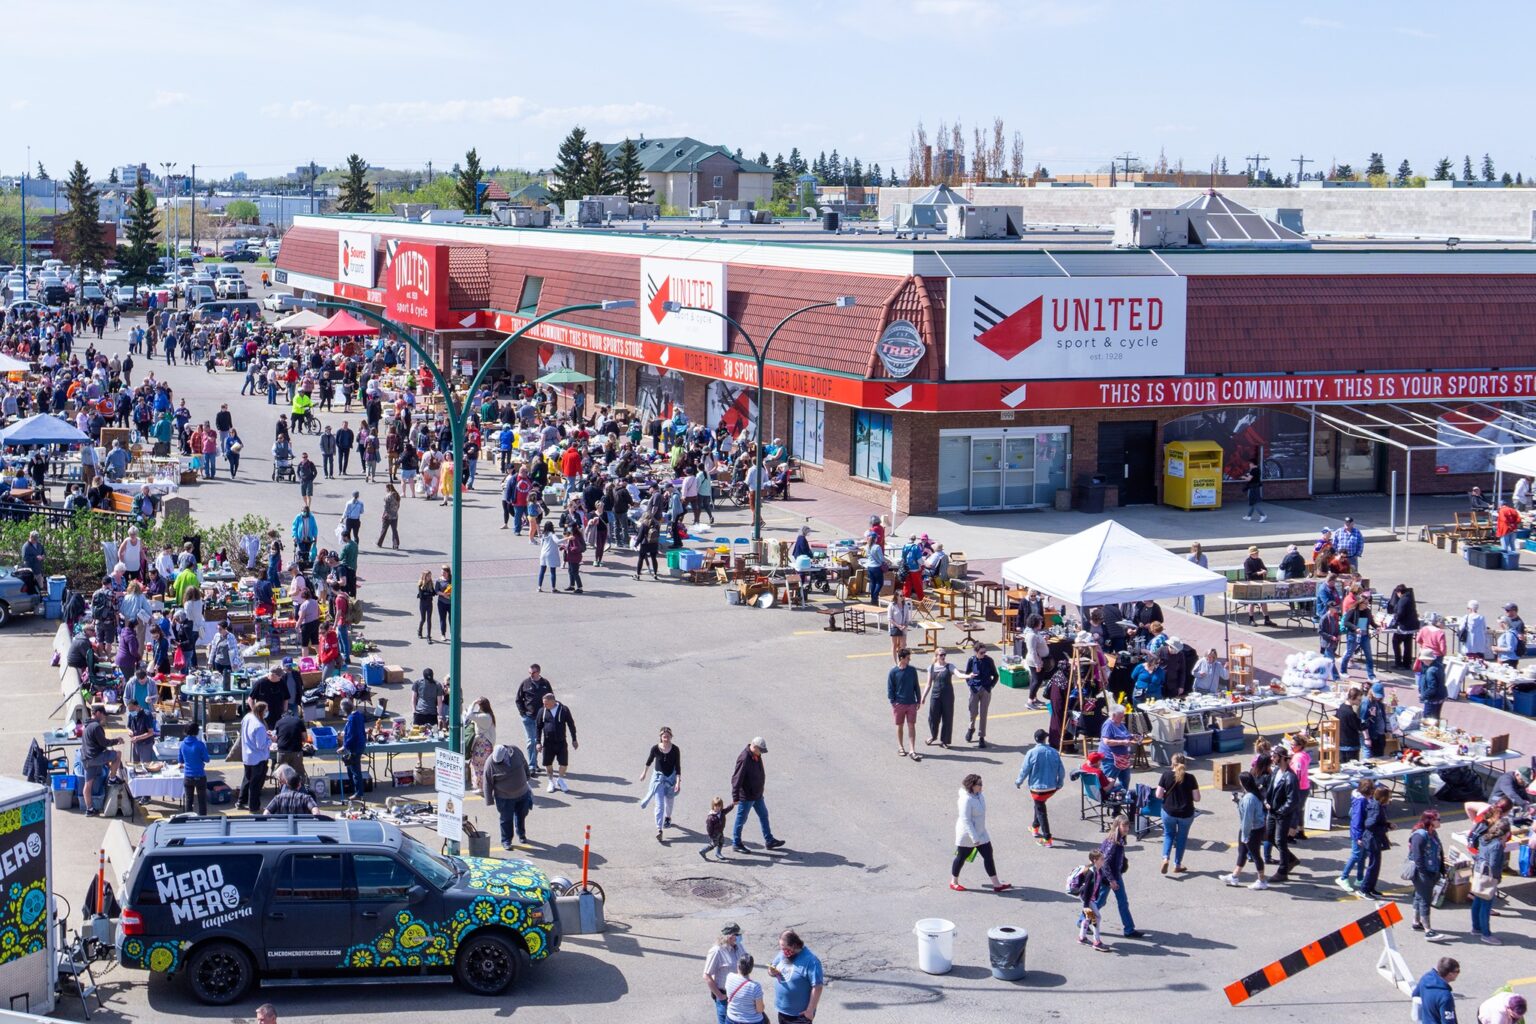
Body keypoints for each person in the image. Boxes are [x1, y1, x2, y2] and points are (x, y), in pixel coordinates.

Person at [730, 737, 783, 853]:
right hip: (747, 797)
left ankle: (769, 840)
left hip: (757, 795)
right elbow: (736, 778)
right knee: (741, 820)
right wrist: (735, 797)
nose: (762, 753)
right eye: (761, 750)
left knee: (764, 815)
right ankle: (736, 843)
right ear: (755, 747)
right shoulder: (744, 758)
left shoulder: (756, 755)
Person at [1469, 801, 1511, 944]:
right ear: (1505, 833)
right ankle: (1486, 934)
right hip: (1488, 876)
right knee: (1486, 906)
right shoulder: (1497, 845)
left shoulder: (1484, 838)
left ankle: (1476, 928)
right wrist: (1498, 878)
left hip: (1478, 872)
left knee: (1477, 901)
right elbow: (1494, 864)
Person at [1015, 729, 1065, 847]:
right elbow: (1061, 770)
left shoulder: (1031, 753)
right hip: (1051, 788)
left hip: (1037, 789)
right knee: (1039, 805)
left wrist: (1018, 781)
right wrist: (1059, 783)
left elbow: (1024, 770)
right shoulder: (1053, 752)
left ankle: (1047, 838)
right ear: (1045, 739)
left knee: (1041, 810)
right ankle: (1035, 827)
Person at [1223, 771, 1270, 890]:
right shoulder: (1250, 794)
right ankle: (1235, 876)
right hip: (1249, 829)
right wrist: (1237, 801)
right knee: (1242, 852)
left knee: (1255, 855)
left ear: (1243, 782)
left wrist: (1245, 835)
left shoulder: (1249, 798)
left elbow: (1247, 819)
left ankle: (1262, 880)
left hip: (1252, 830)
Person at [483, 742, 534, 849]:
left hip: (522, 793)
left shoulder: (515, 751)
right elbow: (487, 782)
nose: (498, 763)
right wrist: (489, 800)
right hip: (504, 798)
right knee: (506, 819)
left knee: (522, 814)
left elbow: (524, 763)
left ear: (506, 754)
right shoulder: (490, 763)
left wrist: (527, 776)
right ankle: (506, 840)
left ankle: (521, 834)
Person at [1156, 752, 1201, 874]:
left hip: (1168, 812)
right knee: (1181, 838)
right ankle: (1177, 864)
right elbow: (1197, 798)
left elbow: (1158, 795)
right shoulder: (1191, 778)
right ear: (1185, 763)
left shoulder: (1165, 775)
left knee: (1169, 834)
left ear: (1172, 763)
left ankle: (1165, 858)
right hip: (1186, 813)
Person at [1407, 810, 1448, 940]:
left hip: (1431, 872)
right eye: (1438, 819)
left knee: (1419, 896)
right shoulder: (1419, 836)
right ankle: (1428, 930)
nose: (1440, 821)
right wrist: (1425, 874)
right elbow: (1418, 858)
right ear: (1430, 821)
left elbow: (1439, 852)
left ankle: (1416, 922)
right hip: (1423, 874)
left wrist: (1442, 869)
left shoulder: (1433, 833)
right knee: (1425, 900)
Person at [769, 931, 825, 1024]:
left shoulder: (811, 961)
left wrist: (810, 1011)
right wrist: (771, 971)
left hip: (799, 1016)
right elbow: (771, 967)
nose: (783, 951)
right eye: (781, 948)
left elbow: (817, 987)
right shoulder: (782, 953)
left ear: (794, 945)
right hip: (783, 1011)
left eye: (785, 948)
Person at [1095, 815, 1138, 937]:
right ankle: (1083, 921)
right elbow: (1105, 863)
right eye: (1124, 825)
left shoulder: (1119, 839)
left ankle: (1129, 929)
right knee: (1099, 903)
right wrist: (1112, 880)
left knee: (1121, 902)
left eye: (1128, 825)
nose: (1126, 828)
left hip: (1114, 875)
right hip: (1109, 878)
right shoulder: (1113, 842)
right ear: (1117, 826)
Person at [639, 726, 682, 843]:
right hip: (658, 779)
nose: (666, 739)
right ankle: (659, 829)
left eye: (668, 737)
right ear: (661, 737)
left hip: (671, 778)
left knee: (669, 800)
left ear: (671, 737)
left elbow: (678, 766)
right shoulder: (655, 749)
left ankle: (668, 818)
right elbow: (649, 762)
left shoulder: (675, 750)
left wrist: (678, 781)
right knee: (659, 804)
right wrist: (644, 773)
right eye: (664, 737)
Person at [79, 704, 123, 816]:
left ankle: (89, 809)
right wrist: (116, 740)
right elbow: (104, 743)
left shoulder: (86, 726)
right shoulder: (96, 726)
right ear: (98, 713)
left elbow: (96, 743)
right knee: (117, 754)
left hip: (86, 759)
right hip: (94, 757)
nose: (104, 718)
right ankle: (112, 778)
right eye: (103, 715)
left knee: (87, 785)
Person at [703, 923, 750, 1024]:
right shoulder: (717, 951)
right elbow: (706, 976)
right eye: (737, 935)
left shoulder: (739, 946)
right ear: (730, 936)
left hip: (740, 995)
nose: (740, 937)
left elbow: (745, 964)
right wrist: (720, 996)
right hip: (725, 997)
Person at [1265, 746, 1299, 882]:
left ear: (1282, 758)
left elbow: (1293, 800)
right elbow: (1270, 789)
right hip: (1272, 811)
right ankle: (1291, 859)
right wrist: (1267, 801)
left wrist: (1280, 811)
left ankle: (1283, 870)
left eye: (1274, 756)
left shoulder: (1290, 777)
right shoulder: (1275, 772)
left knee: (1280, 840)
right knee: (1270, 837)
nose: (1272, 759)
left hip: (1282, 814)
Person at [535, 691, 577, 793]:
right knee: (547, 763)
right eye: (543, 703)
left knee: (564, 764)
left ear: (553, 702)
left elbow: (571, 724)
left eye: (546, 703)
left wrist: (574, 739)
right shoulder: (542, 711)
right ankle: (551, 781)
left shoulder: (564, 710)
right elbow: (538, 727)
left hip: (561, 742)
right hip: (548, 743)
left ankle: (560, 779)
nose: (544, 705)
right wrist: (538, 742)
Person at [960, 641, 998, 749]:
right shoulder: (972, 661)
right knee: (973, 712)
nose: (983, 654)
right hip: (974, 690)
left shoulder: (989, 660)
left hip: (985, 689)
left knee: (983, 714)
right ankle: (971, 728)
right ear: (976, 652)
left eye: (985, 652)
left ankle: (981, 736)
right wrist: (970, 684)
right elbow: (967, 674)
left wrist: (990, 687)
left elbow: (995, 675)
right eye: (981, 652)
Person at [1359, 784, 1393, 900]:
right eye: (1389, 796)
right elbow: (1370, 824)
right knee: (1373, 866)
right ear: (1383, 798)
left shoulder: (1376, 805)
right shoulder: (1377, 808)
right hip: (1372, 840)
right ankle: (1364, 889)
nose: (1390, 799)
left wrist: (1387, 824)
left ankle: (1371, 888)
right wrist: (1386, 828)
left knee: (1375, 865)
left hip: (1374, 839)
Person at [887, 649, 922, 760]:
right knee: (900, 725)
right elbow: (890, 688)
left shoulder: (912, 670)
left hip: (911, 702)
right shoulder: (893, 672)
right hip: (899, 704)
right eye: (908, 658)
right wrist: (893, 702)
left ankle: (912, 749)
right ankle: (901, 747)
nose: (909, 659)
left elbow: (916, 685)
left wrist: (918, 699)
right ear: (902, 658)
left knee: (911, 725)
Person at [238, 702, 272, 813]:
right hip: (258, 758)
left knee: (247, 779)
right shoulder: (259, 726)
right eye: (266, 711)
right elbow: (261, 745)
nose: (267, 713)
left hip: (247, 756)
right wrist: (271, 740)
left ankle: (241, 801)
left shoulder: (247, 717)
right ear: (261, 711)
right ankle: (254, 807)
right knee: (255, 784)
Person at [1074, 850, 1110, 951]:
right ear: (1095, 860)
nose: (1104, 860)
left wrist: (1110, 882)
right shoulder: (1091, 873)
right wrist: (1086, 905)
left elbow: (1102, 880)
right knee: (1096, 917)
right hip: (1087, 899)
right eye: (1101, 859)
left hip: (1090, 898)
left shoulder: (1099, 870)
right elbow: (1086, 890)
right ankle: (1096, 941)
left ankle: (1082, 937)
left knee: (1087, 918)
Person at [921, 649, 956, 748]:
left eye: (944, 654)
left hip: (948, 696)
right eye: (941, 655)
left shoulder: (950, 666)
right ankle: (933, 736)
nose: (943, 656)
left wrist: (967, 676)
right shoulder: (931, 668)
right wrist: (923, 697)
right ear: (936, 656)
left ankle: (944, 740)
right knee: (933, 717)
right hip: (935, 695)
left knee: (947, 717)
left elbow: (958, 673)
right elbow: (928, 685)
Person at [1097, 705, 1136, 791]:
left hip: (1123, 758)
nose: (1123, 718)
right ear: (1114, 715)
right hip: (1111, 758)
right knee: (1108, 782)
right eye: (1121, 716)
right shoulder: (1108, 725)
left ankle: (1121, 797)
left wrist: (1132, 736)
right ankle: (1108, 800)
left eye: (1123, 715)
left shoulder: (1120, 724)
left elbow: (1124, 734)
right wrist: (1123, 742)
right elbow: (1106, 741)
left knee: (1125, 780)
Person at [1411, 957, 1459, 1024]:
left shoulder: (1425, 978)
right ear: (1450, 974)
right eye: (1457, 971)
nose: (1458, 973)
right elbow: (1448, 1022)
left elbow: (1415, 995)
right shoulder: (1445, 996)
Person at [179, 722, 210, 815]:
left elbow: (180, 760)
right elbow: (207, 759)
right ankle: (203, 819)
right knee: (202, 801)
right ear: (196, 732)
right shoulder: (200, 744)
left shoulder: (182, 744)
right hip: (200, 775)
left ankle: (188, 820)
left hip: (188, 776)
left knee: (189, 801)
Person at [340, 698, 367, 801]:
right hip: (360, 745)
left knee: (355, 771)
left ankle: (359, 793)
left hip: (354, 747)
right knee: (351, 768)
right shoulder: (358, 715)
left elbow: (351, 735)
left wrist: (344, 746)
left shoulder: (352, 719)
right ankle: (353, 788)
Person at [1242, 545, 1275, 627]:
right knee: (1252, 602)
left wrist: (1265, 571)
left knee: (1263, 601)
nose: (1257, 554)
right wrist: (1259, 573)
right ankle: (1251, 619)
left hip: (1260, 582)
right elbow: (1249, 575)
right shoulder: (1247, 562)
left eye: (1257, 553)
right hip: (1251, 583)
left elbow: (1264, 568)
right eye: (1255, 553)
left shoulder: (1259, 560)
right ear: (1251, 554)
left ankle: (1267, 619)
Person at [1336, 686, 1364, 763]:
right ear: (1352, 698)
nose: (1360, 702)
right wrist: (1370, 720)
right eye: (1359, 700)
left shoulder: (1341, 707)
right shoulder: (1350, 713)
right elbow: (1359, 727)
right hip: (1351, 745)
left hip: (1341, 743)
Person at [886, 593, 912, 663]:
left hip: (903, 628)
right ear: (896, 596)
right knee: (895, 645)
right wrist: (898, 625)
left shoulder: (905, 606)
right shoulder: (892, 605)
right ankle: (895, 662)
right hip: (895, 627)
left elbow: (907, 619)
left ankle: (901, 661)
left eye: (903, 595)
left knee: (903, 645)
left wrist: (905, 625)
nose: (903, 597)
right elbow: (889, 618)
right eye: (901, 595)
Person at [1187, 542, 1209, 615]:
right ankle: (1201, 612)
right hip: (1202, 578)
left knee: (1194, 596)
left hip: (1193, 579)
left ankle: (1195, 612)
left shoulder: (1189, 557)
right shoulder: (1204, 557)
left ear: (1192, 548)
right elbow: (1206, 568)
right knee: (1201, 596)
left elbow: (1187, 569)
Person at [416, 569, 437, 640]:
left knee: (429, 619)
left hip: (429, 604)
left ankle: (428, 636)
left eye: (430, 576)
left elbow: (434, 592)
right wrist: (429, 594)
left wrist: (430, 593)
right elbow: (422, 596)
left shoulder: (431, 583)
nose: (430, 578)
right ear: (424, 576)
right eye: (428, 576)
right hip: (423, 604)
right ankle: (419, 631)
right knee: (423, 619)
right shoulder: (420, 584)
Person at [378, 483, 401, 548]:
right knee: (394, 530)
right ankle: (396, 544)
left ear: (388, 488)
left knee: (384, 530)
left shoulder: (388, 496)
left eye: (386, 488)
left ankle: (379, 543)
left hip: (387, 516)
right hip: (395, 515)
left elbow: (386, 507)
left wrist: (385, 514)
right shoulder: (397, 495)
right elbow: (398, 506)